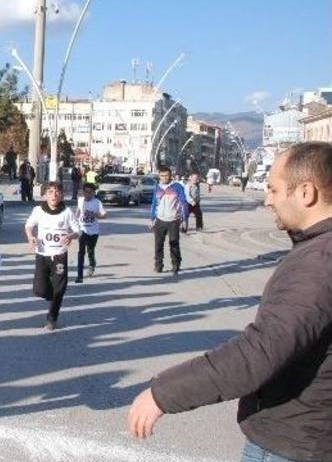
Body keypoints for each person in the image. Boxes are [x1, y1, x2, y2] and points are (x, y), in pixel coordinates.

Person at [128, 142, 332, 462]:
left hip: (295, 441)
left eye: (274, 189)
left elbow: (261, 351)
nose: (267, 200)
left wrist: (162, 394)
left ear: (306, 192)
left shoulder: (317, 264)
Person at [25, 181, 80, 331]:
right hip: (42, 254)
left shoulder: (67, 212)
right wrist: (31, 237)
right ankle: (51, 297)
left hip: (59, 255)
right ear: (44, 195)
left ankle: (52, 318)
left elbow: (78, 230)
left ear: (62, 195)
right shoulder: (38, 210)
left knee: (59, 289)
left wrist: (71, 235)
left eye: (57, 192)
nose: (54, 195)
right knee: (40, 289)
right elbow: (29, 225)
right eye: (50, 192)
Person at [149, 166, 188, 275]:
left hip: (174, 220)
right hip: (160, 220)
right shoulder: (157, 188)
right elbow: (154, 204)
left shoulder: (177, 187)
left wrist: (184, 221)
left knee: (174, 243)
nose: (164, 178)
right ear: (159, 176)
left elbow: (183, 204)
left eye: (166, 175)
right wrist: (152, 219)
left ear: (170, 176)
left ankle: (176, 265)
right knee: (158, 244)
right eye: (162, 176)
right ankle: (158, 265)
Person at [75, 182, 106, 283]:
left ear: (94, 193)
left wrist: (98, 216)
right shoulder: (80, 200)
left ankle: (92, 265)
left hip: (94, 231)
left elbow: (104, 214)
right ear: (83, 192)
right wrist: (74, 219)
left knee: (90, 251)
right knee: (81, 252)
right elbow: (78, 211)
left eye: (90, 192)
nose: (88, 194)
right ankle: (79, 275)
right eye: (86, 192)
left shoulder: (97, 202)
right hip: (82, 230)